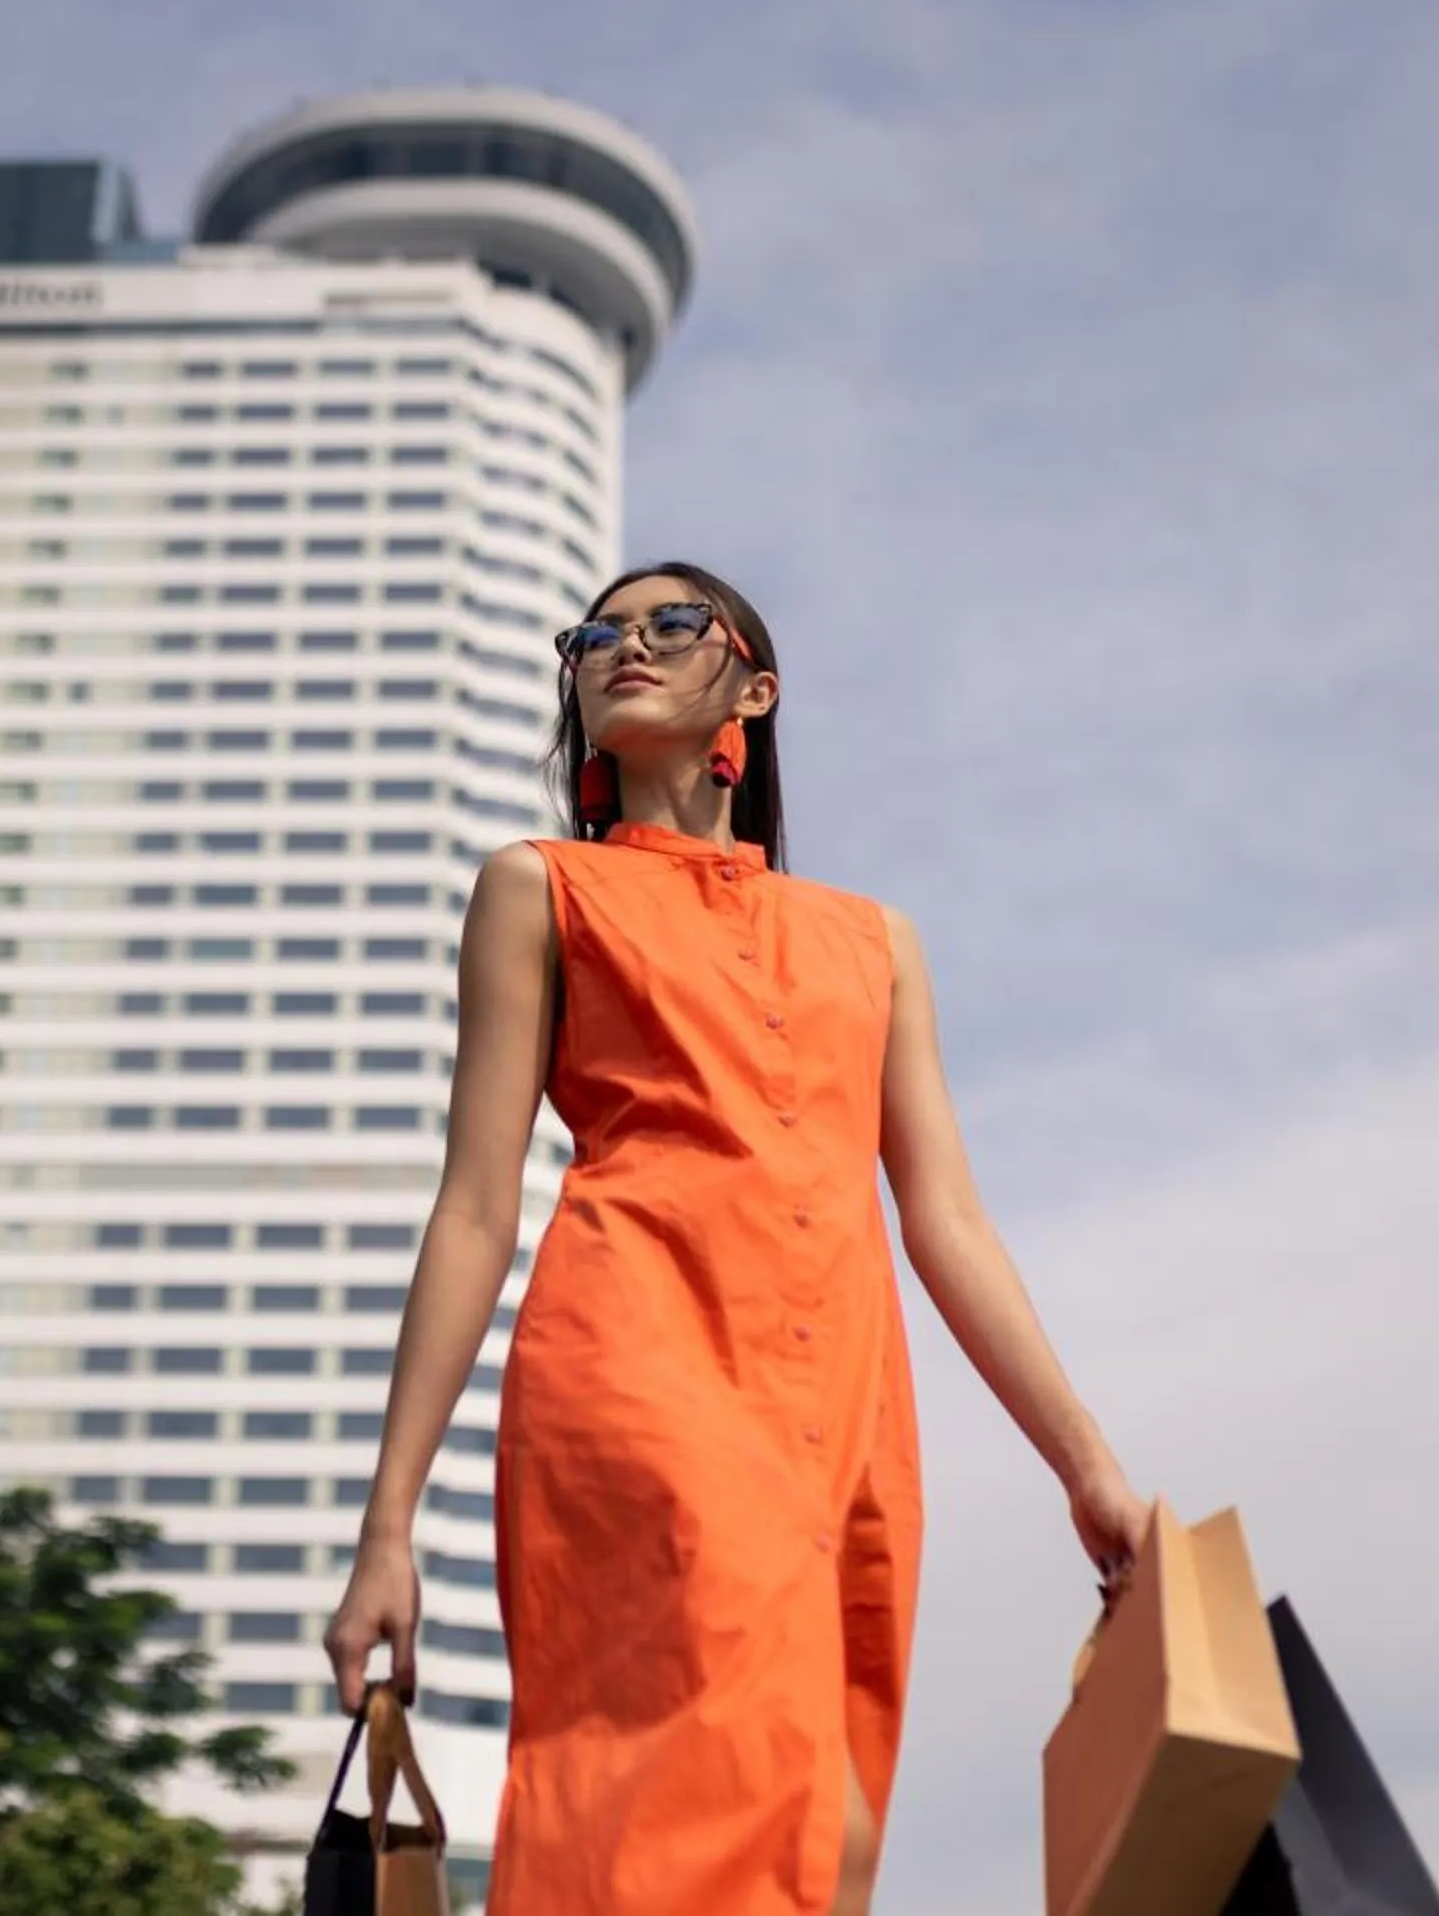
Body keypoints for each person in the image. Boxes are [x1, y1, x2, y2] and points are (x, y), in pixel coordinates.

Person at [324, 561, 1147, 1915]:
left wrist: (1086, 1465)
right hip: (640, 1360)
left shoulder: (873, 941)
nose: (622, 645)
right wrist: (387, 1524)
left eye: (668, 623)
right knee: (728, 1798)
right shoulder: (540, 889)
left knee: (841, 1830)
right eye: (597, 633)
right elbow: (476, 1204)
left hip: (844, 1405)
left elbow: (944, 1215)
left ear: (754, 692)